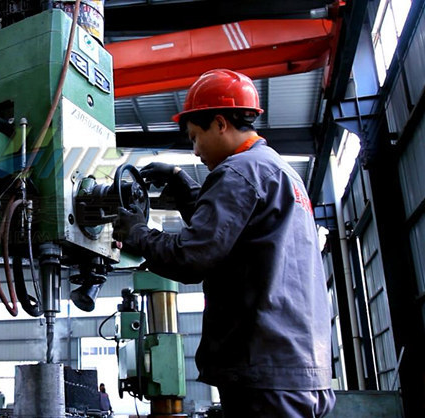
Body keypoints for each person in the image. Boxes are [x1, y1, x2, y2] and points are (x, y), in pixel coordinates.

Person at [114, 69, 335, 417]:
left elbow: (192, 257)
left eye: (195, 137)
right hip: (300, 368)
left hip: (262, 370)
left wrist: (137, 232)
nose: (195, 150)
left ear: (219, 123)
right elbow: (235, 234)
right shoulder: (279, 171)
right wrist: (183, 186)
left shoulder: (238, 172)